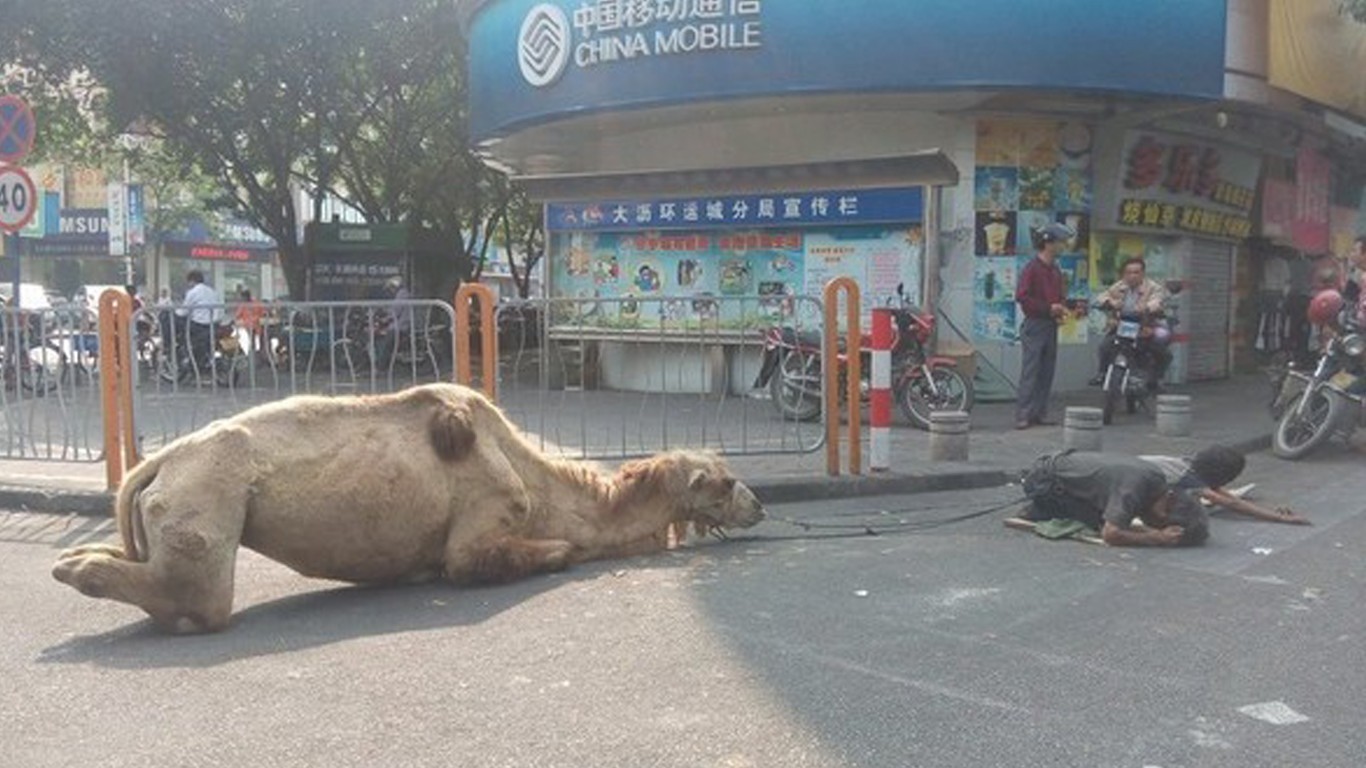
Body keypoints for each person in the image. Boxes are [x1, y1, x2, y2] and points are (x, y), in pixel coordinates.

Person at [1020, 450, 1210, 547]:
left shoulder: (1156, 480)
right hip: (1043, 479)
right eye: (1159, 522)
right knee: (1099, 524)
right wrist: (1156, 537)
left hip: (1059, 465)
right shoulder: (1135, 487)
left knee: (1117, 518)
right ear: (1168, 501)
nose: (1152, 523)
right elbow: (1110, 535)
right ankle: (1038, 509)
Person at [1138, 444, 1310, 526]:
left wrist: (1272, 510)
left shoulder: (1190, 467)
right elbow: (1230, 502)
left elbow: (1227, 497)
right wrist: (1279, 518)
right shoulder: (1187, 476)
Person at [1014, 221, 1078, 429]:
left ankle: (1039, 413)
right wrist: (1048, 308)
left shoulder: (1055, 269)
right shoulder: (1032, 268)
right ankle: (1023, 414)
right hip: (1035, 324)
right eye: (1060, 242)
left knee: (1047, 371)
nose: (1063, 246)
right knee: (1031, 371)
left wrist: (1061, 308)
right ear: (1048, 243)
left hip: (1050, 324)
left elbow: (1058, 296)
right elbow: (1022, 296)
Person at [1088, 257, 1172, 388]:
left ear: (1143, 274)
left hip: (1145, 325)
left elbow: (1158, 300)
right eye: (1129, 272)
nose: (1132, 276)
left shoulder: (1154, 287)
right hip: (1122, 325)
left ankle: (1157, 379)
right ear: (1124, 274)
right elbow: (1101, 297)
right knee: (1105, 346)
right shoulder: (1119, 286)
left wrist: (1147, 307)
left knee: (1163, 351)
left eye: (1136, 272)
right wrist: (1110, 302)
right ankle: (1102, 374)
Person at [176, 270, 222, 368]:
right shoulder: (211, 291)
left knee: (182, 332)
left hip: (199, 324)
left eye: (188, 282)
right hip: (214, 324)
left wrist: (175, 312)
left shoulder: (193, 292)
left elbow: (184, 311)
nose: (188, 285)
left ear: (192, 281)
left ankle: (188, 356)